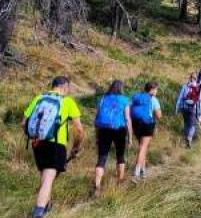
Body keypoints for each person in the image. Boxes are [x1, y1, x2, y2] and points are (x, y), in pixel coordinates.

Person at [23, 76, 85, 218]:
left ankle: (47, 206)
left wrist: (34, 136)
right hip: (56, 145)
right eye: (68, 88)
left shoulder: (39, 98)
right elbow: (80, 130)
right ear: (64, 86)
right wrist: (76, 147)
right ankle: (38, 212)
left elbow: (23, 122)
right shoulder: (67, 102)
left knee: (45, 177)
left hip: (37, 142)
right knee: (49, 178)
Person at [92, 80, 132, 196]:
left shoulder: (103, 98)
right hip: (119, 129)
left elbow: (97, 118)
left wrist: (97, 134)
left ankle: (97, 186)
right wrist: (130, 136)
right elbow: (128, 119)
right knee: (120, 155)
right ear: (121, 88)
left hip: (103, 130)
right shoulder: (125, 99)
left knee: (102, 158)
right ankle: (120, 182)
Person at [130, 82, 162, 179]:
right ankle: (136, 171)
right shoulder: (153, 99)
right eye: (156, 89)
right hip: (147, 124)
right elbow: (159, 116)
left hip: (135, 123)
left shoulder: (137, 97)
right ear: (151, 89)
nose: (156, 91)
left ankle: (143, 171)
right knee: (143, 147)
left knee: (142, 146)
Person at [175, 74, 201, 148]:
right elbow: (199, 100)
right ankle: (189, 138)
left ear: (190, 78)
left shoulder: (185, 86)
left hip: (184, 107)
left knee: (186, 123)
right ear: (196, 79)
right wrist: (200, 111)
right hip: (192, 108)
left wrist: (177, 108)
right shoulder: (198, 87)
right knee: (192, 125)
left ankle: (185, 138)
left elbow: (180, 97)